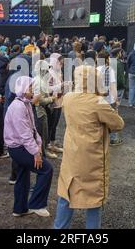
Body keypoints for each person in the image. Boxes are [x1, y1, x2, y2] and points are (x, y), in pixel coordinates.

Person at [54, 65, 124, 229]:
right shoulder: (98, 102)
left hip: (72, 153)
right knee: (94, 197)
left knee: (66, 191)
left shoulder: (69, 97)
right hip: (92, 157)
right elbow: (118, 124)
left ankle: (60, 228)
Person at [4, 76, 54, 218]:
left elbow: (32, 129)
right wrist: (36, 152)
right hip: (18, 148)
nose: (33, 89)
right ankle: (36, 204)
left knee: (23, 175)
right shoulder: (19, 106)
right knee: (46, 169)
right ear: (23, 89)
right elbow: (25, 134)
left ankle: (20, 209)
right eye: (30, 87)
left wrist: (38, 144)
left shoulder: (24, 103)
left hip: (19, 147)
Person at [33, 60, 58, 159]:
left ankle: (41, 151)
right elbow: (40, 100)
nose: (48, 71)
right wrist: (51, 99)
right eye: (46, 70)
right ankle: (42, 153)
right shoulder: (39, 81)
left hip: (39, 110)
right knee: (42, 133)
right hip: (39, 111)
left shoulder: (38, 79)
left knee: (41, 133)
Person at [47, 53, 65, 153]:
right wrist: (61, 85)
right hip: (52, 103)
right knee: (50, 124)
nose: (61, 65)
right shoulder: (49, 72)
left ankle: (52, 143)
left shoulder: (58, 72)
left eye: (62, 63)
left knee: (54, 124)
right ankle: (47, 145)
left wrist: (63, 86)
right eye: (59, 62)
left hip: (58, 101)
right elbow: (46, 88)